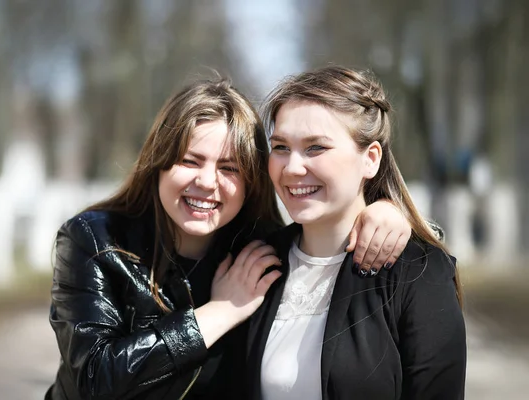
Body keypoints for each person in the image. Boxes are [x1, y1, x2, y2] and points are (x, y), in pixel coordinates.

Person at [45, 77, 412, 400]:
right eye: (190, 161)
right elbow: (95, 379)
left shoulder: (263, 250)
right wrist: (220, 312)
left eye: (228, 168)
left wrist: (386, 212)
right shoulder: (95, 240)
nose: (207, 182)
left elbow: (333, 233)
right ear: (159, 162)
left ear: (251, 180)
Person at [245, 65, 466, 400]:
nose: (292, 168)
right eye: (280, 147)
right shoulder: (256, 263)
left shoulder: (419, 271)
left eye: (316, 147)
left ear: (371, 159)